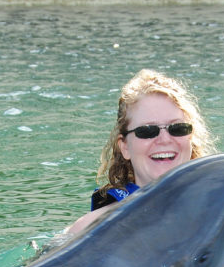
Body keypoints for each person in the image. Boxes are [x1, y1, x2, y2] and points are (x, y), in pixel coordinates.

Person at [68, 70, 216, 235]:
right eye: (147, 131)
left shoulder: (223, 211)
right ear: (124, 147)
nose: (165, 139)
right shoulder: (87, 231)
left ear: (191, 138)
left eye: (178, 128)